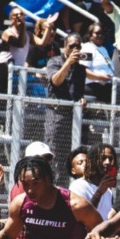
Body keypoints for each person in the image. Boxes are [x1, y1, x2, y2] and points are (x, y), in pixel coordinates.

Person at [45, 34, 86, 173]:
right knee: (54, 153)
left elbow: (78, 92)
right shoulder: (54, 61)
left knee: (70, 156)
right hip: (56, 115)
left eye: (78, 46)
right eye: (72, 46)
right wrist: (68, 63)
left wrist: (82, 99)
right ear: (64, 46)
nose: (75, 49)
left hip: (73, 118)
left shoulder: (81, 69)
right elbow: (56, 81)